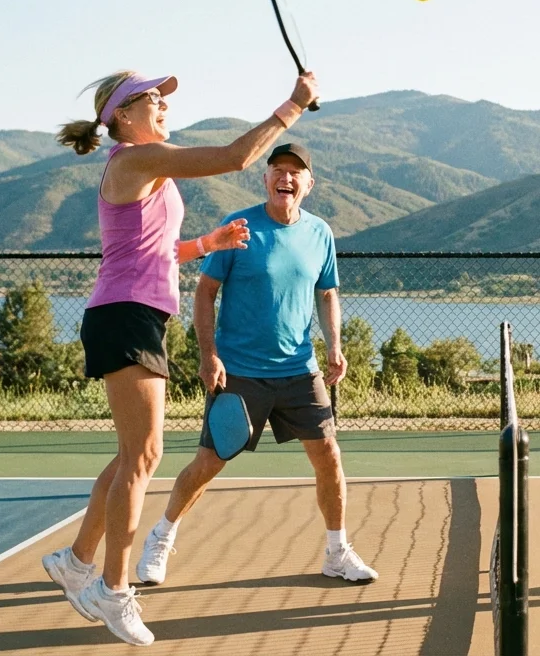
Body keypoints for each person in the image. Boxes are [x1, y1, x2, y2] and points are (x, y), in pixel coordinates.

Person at [42, 70, 319, 646]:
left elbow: (152, 247)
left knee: (130, 458)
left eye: (164, 98)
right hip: (124, 315)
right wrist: (292, 105)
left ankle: (77, 562)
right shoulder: (136, 159)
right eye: (151, 99)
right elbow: (237, 158)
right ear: (122, 115)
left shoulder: (145, 170)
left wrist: (206, 246)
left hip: (136, 314)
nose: (164, 104)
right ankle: (112, 590)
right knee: (143, 455)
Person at [133, 142, 378, 588]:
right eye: (277, 170)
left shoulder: (320, 233)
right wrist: (209, 356)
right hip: (240, 370)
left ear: (309, 183)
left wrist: (334, 346)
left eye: (295, 172)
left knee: (330, 458)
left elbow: (327, 294)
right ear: (263, 179)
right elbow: (205, 292)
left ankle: (337, 553)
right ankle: (161, 537)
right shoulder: (238, 227)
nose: (286, 177)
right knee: (208, 463)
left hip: (300, 370)